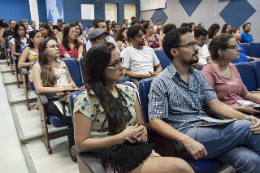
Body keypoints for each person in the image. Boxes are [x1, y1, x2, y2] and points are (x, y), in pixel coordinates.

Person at [149, 27, 260, 173]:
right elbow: (155, 121)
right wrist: (184, 139)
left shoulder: (198, 76)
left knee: (251, 160)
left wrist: (246, 116)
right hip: (184, 136)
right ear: (174, 51)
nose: (196, 48)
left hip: (207, 129)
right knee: (247, 128)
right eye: (190, 45)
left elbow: (215, 104)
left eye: (195, 43)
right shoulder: (161, 81)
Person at [73, 42, 194, 173]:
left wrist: (142, 136)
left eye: (120, 61)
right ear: (98, 68)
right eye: (115, 64)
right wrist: (121, 137)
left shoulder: (128, 91)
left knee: (180, 167)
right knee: (181, 168)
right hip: (108, 158)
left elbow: (141, 126)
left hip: (135, 150)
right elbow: (81, 144)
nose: (121, 67)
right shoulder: (86, 99)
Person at [32, 37, 78, 162]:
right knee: (71, 116)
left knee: (85, 109)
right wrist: (63, 88)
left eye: (56, 46)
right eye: (52, 46)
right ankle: (74, 148)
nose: (56, 48)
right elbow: (39, 89)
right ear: (44, 50)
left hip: (68, 94)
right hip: (52, 100)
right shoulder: (37, 66)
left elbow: (71, 81)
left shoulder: (62, 63)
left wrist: (72, 86)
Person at [202, 33, 260, 116]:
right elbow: (208, 107)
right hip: (226, 114)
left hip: (243, 108)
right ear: (221, 52)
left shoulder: (232, 67)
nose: (239, 49)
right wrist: (241, 109)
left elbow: (245, 93)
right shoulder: (208, 71)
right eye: (233, 47)